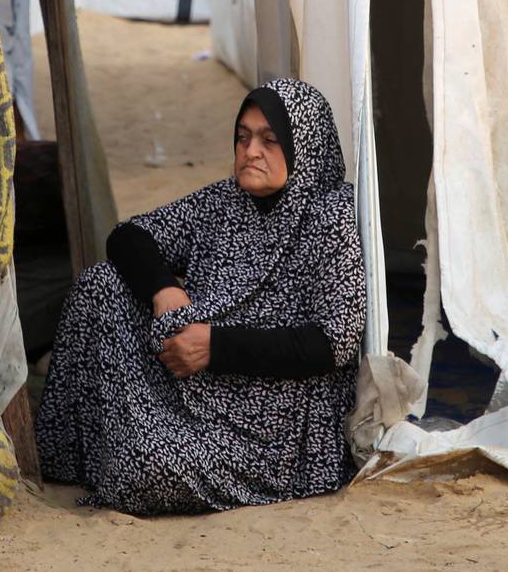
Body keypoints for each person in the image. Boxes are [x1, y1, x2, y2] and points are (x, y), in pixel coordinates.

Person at [34, 78, 366, 515]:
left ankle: (132, 457)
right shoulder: (224, 201)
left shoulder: (332, 214)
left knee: (147, 468)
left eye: (270, 140)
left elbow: (333, 342)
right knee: (102, 284)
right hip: (192, 383)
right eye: (243, 137)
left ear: (303, 144)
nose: (250, 152)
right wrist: (165, 290)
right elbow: (129, 236)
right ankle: (76, 456)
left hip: (275, 430)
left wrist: (215, 347)